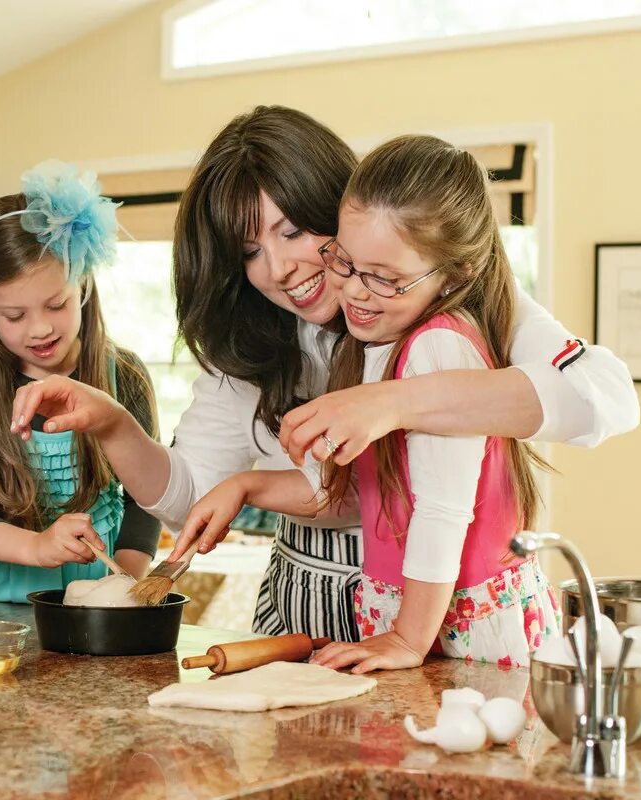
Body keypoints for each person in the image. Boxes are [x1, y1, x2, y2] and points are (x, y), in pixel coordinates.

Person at [10, 106, 638, 639]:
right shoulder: (249, 338)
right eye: (251, 250)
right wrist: (114, 424)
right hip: (296, 605)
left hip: (428, 614)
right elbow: (194, 505)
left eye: (294, 230)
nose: (279, 268)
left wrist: (392, 402)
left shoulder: (448, 300)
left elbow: (603, 399)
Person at [182, 135, 559, 673]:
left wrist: (406, 638)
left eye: (383, 277)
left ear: (455, 274)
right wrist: (244, 486)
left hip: (459, 633)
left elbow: (442, 511)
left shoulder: (437, 346)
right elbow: (351, 486)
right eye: (345, 262)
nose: (356, 292)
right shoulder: (379, 342)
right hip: (420, 621)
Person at [0, 161, 159, 603]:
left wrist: (122, 586)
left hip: (91, 601)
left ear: (83, 286)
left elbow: (144, 499)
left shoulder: (122, 375)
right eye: (14, 316)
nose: (40, 329)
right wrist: (35, 546)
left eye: (56, 305)